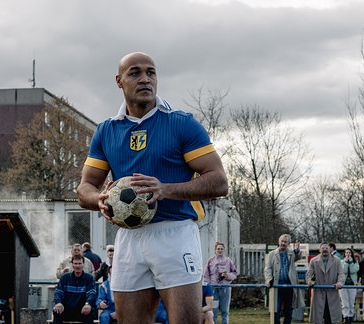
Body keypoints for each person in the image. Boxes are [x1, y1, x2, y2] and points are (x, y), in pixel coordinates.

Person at [77, 51, 228, 324]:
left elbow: (219, 181)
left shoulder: (181, 124)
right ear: (119, 81)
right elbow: (84, 188)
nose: (145, 79)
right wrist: (100, 199)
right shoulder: (107, 131)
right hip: (129, 238)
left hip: (175, 233)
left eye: (151, 72)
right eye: (135, 73)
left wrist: (165, 189)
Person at [264, 234, 304, 324]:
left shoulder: (291, 253)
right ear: (279, 242)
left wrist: (297, 249)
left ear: (289, 243)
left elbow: (298, 256)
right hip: (277, 285)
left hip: (289, 285)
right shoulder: (272, 254)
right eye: (282, 241)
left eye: (285, 242)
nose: (283, 243)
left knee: (289, 310)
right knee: (276, 309)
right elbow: (268, 268)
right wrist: (268, 279)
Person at [306, 242, 344, 324]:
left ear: (330, 249)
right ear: (320, 250)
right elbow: (309, 274)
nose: (325, 250)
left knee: (330, 316)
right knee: (318, 317)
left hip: (332, 292)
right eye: (323, 248)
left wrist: (340, 282)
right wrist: (309, 281)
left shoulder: (337, 261)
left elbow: (341, 274)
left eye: (326, 248)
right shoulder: (313, 261)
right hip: (318, 292)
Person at [53, 254, 97, 324]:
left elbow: (92, 293)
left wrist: (88, 304)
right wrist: (58, 302)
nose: (78, 266)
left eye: (80, 263)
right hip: (67, 310)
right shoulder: (65, 277)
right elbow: (58, 292)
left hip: (82, 310)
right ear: (72, 265)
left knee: (90, 310)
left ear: (83, 265)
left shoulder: (89, 278)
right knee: (56, 310)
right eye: (75, 263)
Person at [204, 241, 238, 324]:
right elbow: (205, 275)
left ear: (224, 250)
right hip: (213, 290)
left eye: (221, 249)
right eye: (218, 249)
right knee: (213, 311)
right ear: (215, 250)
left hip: (225, 289)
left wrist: (227, 275)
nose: (220, 250)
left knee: (225, 311)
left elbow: (235, 274)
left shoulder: (228, 261)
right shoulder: (210, 261)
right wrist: (209, 286)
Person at [339, 248, 359, 324]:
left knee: (351, 302)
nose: (348, 254)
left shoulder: (355, 262)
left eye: (349, 253)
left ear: (351, 254)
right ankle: (346, 316)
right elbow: (343, 270)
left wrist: (351, 263)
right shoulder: (341, 262)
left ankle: (351, 316)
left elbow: (354, 270)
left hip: (352, 285)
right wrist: (346, 263)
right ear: (344, 254)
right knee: (345, 302)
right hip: (343, 285)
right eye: (346, 253)